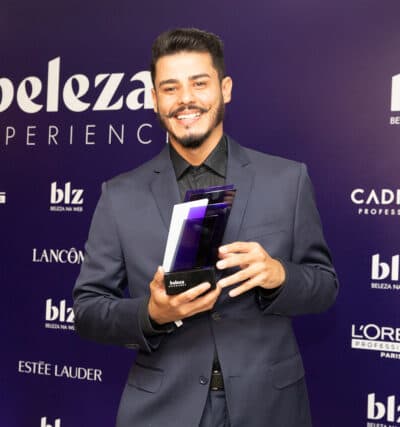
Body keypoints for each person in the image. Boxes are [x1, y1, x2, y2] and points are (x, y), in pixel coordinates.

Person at [73, 28, 338, 427]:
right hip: (162, 411)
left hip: (269, 407)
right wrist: (152, 313)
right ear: (154, 99)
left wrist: (279, 276)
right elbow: (88, 310)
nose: (186, 99)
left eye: (199, 83)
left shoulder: (288, 180)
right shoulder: (119, 195)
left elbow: (324, 285)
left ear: (224, 89)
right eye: (170, 88)